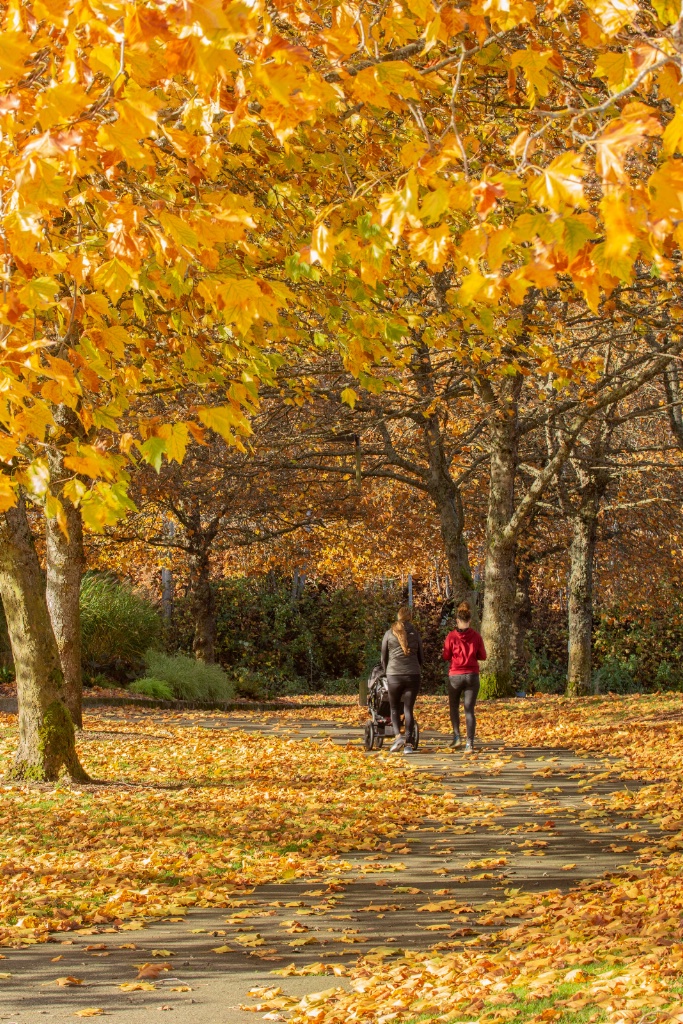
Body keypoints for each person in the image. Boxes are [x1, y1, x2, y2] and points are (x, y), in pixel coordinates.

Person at [442, 600, 486, 753]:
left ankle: (456, 736)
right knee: (469, 710)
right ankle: (470, 743)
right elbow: (483, 656)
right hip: (472, 676)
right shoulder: (476, 636)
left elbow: (446, 655)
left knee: (454, 706)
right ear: (470, 621)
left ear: (457, 621)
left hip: (455, 675)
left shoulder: (451, 636)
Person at [380, 605, 423, 754]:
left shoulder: (389, 633)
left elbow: (383, 657)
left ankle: (398, 736)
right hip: (413, 675)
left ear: (398, 616)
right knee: (408, 709)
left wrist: (387, 672)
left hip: (394, 675)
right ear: (410, 617)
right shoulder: (415, 633)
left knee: (394, 708)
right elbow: (421, 657)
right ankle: (409, 744)